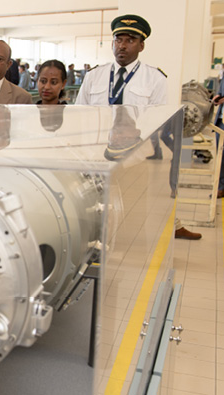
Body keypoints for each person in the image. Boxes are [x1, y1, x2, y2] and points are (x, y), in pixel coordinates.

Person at [75, 14, 201, 241]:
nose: (122, 45)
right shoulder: (94, 76)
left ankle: (126, 244)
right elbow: (80, 115)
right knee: (94, 207)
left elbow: (156, 124)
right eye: (118, 39)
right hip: (97, 155)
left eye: (130, 40)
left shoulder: (155, 79)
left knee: (130, 208)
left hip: (135, 157)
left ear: (141, 45)